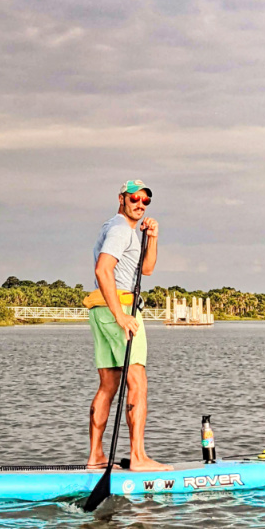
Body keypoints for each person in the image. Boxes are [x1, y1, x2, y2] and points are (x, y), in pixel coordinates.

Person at [84, 180, 171, 472]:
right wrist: (121, 316)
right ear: (121, 198)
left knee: (109, 383)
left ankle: (96, 456)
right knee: (138, 382)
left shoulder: (119, 228)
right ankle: (138, 457)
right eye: (135, 198)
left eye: (146, 201)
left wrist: (154, 237)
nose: (140, 204)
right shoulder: (121, 229)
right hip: (119, 308)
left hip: (100, 310)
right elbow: (102, 269)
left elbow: (146, 269)